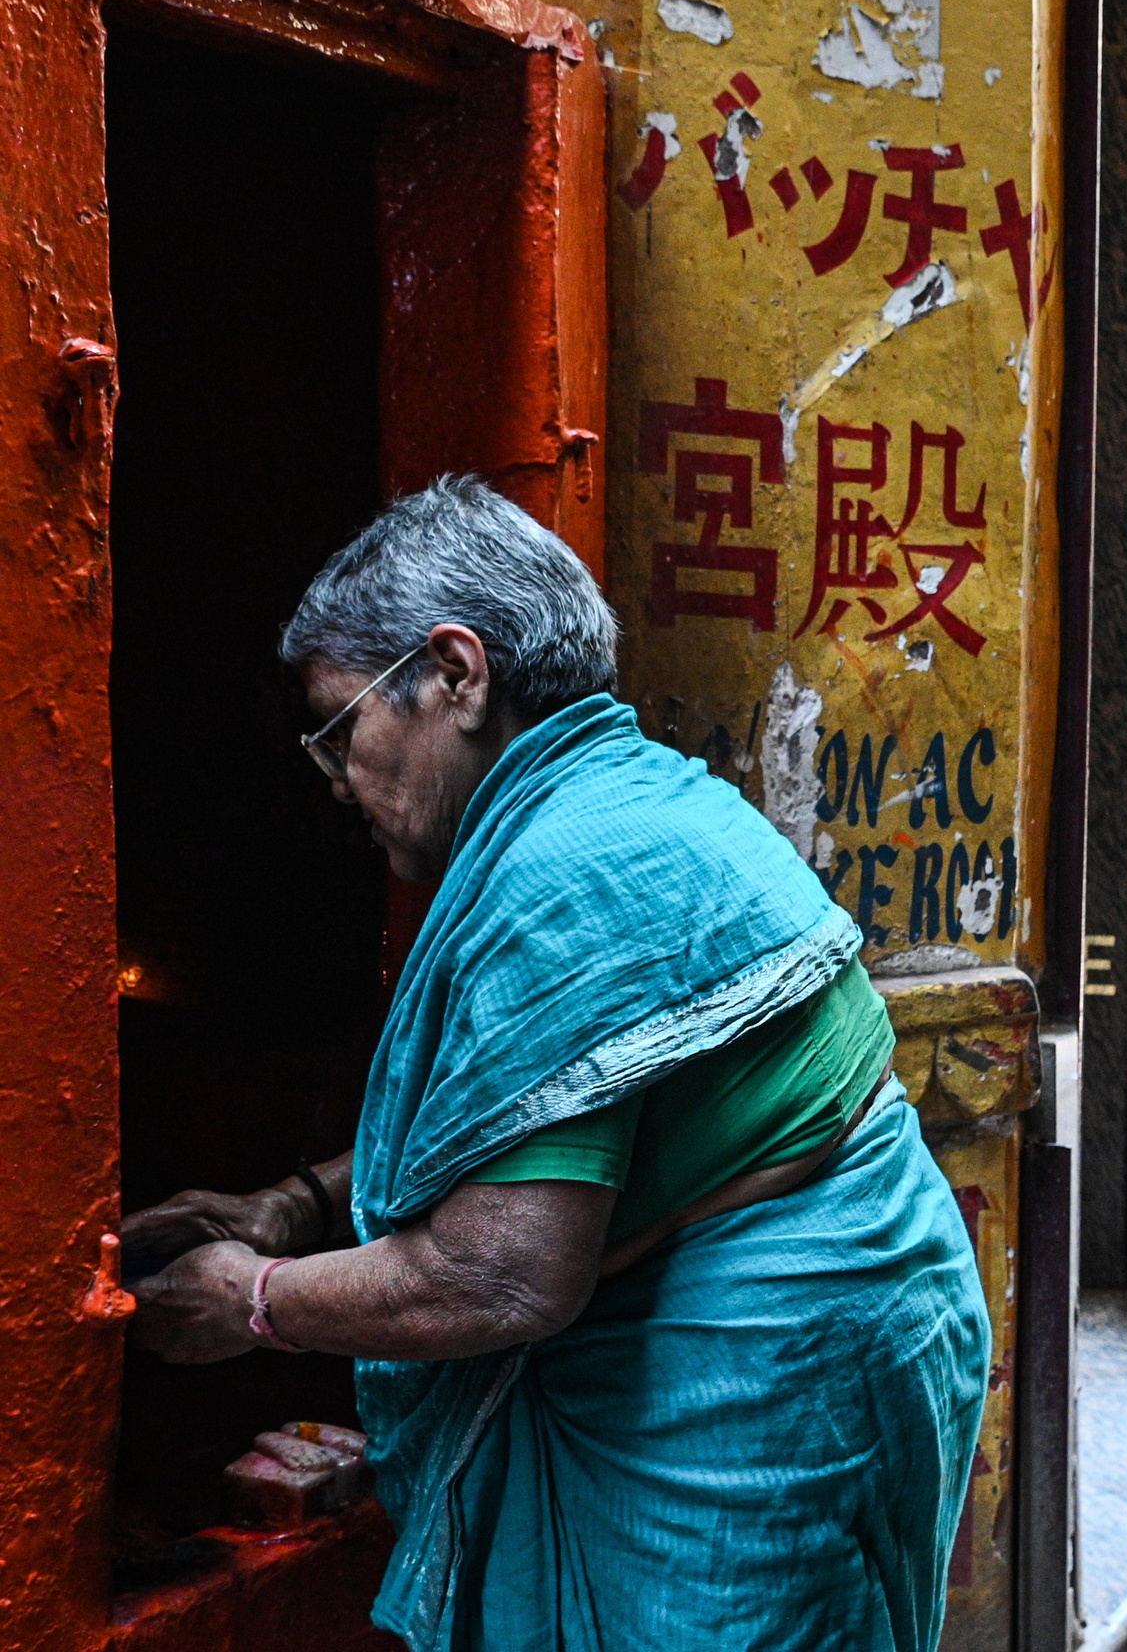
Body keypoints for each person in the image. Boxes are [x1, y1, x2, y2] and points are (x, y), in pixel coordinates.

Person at [120, 477, 991, 1651]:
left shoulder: (559, 876)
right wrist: (298, 1205)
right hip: (855, 1330)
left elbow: (503, 1277)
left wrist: (252, 1298)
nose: (334, 780)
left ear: (457, 674)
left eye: (340, 728)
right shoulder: (633, 801)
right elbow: (561, 1116)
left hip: (765, 1380)